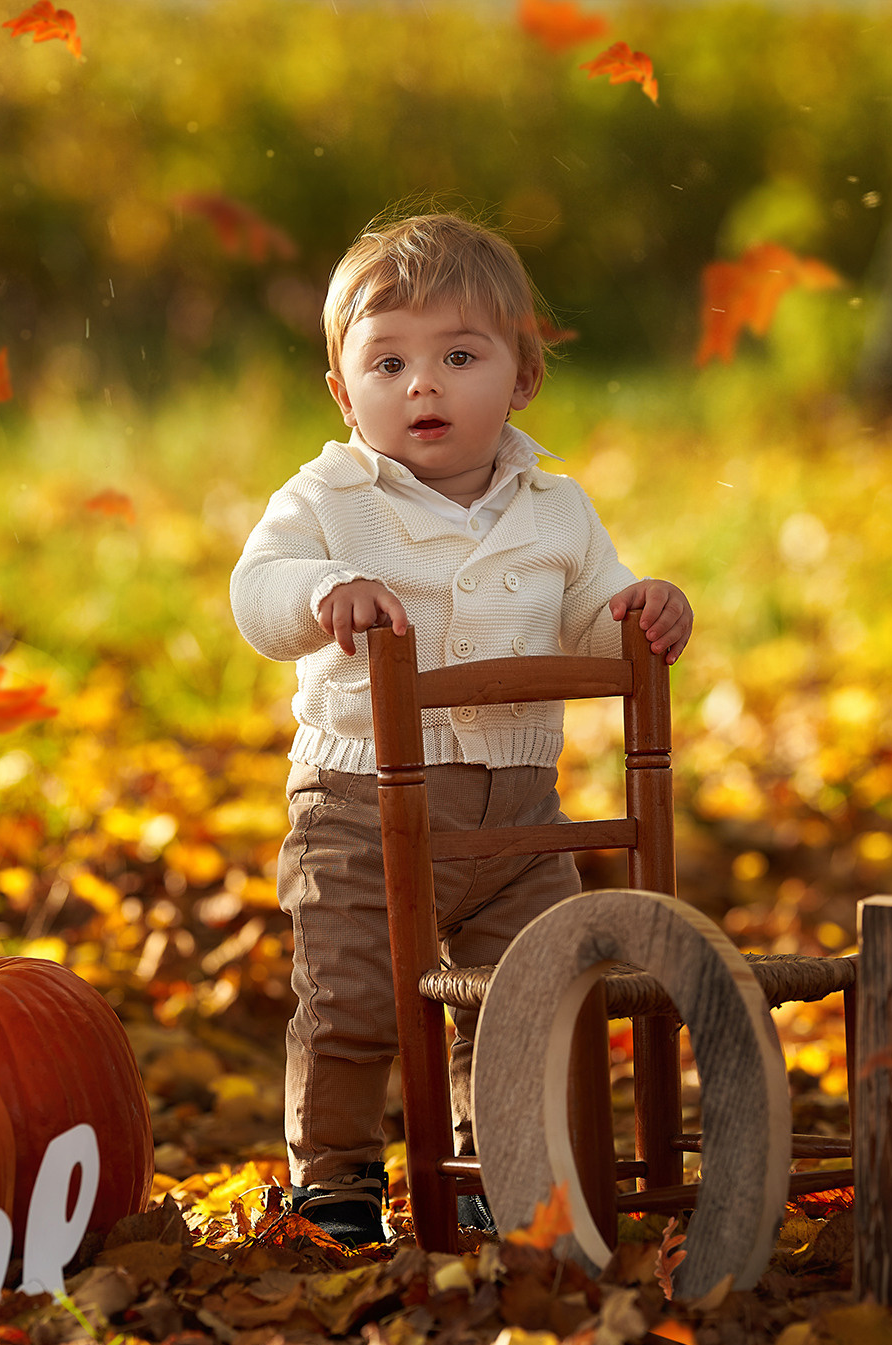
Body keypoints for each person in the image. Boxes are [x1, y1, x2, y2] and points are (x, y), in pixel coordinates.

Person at [229, 211, 693, 1246]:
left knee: (523, 993)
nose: (422, 385)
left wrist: (638, 610)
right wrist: (321, 593)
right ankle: (336, 1181)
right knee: (353, 999)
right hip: (360, 802)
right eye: (387, 362)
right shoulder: (330, 500)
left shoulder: (555, 508)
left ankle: (500, 1168)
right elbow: (255, 593)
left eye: (459, 355)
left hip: (521, 807)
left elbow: (591, 607)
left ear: (522, 376)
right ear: (346, 394)